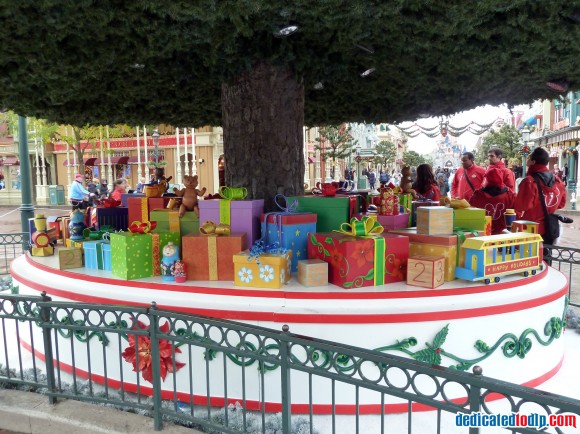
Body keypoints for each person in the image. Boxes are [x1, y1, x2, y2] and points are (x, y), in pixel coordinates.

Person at [514, 147, 566, 243]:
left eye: (529, 157)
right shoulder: (558, 181)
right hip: (549, 228)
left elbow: (522, 206)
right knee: (546, 256)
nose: (528, 159)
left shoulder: (529, 181)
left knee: (530, 257)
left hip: (530, 228)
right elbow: (561, 204)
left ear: (533, 162)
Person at [469, 167, 516, 235]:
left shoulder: (477, 196)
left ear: (487, 179)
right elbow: (516, 213)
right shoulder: (510, 195)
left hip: (482, 233)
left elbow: (471, 213)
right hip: (503, 234)